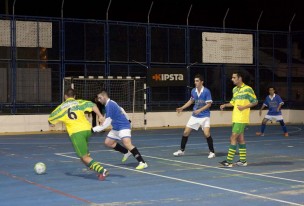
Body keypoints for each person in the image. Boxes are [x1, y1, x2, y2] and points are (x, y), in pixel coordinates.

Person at [48, 88, 109, 180]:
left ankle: (102, 171)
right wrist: (100, 116)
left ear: (65, 96)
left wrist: (51, 124)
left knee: (84, 157)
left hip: (77, 133)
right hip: (87, 130)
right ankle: (94, 167)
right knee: (84, 155)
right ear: (75, 96)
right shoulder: (79, 102)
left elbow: (51, 119)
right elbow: (92, 105)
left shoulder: (61, 107)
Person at [92, 90, 148, 170]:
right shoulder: (110, 104)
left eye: (100, 98)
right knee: (108, 143)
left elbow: (107, 123)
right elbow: (121, 109)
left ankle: (142, 162)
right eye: (98, 99)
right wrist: (103, 118)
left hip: (123, 126)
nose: (99, 100)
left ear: (104, 96)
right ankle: (126, 152)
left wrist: (93, 129)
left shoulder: (110, 105)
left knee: (127, 144)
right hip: (116, 127)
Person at [219, 71, 258, 167]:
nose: (232, 79)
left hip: (242, 118)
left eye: (234, 77)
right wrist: (225, 105)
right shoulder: (235, 90)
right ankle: (243, 161)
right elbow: (233, 102)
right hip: (235, 117)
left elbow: (255, 102)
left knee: (233, 137)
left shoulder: (248, 89)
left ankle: (228, 161)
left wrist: (244, 107)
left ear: (240, 78)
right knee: (240, 139)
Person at [173, 74, 215, 159]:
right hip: (195, 116)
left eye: (197, 81)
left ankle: (212, 152)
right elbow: (191, 101)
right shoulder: (193, 91)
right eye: (195, 81)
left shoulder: (206, 91)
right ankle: (181, 150)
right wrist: (182, 108)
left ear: (201, 82)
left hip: (205, 116)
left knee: (207, 134)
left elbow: (209, 104)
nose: (195, 82)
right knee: (185, 132)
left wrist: (200, 110)